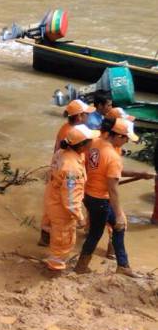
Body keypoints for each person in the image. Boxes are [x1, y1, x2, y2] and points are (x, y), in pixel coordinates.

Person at [74, 118, 148, 277]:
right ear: (118, 136)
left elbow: (110, 172)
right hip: (101, 200)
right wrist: (120, 213)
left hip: (88, 195)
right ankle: (81, 266)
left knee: (118, 227)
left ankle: (122, 265)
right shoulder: (113, 156)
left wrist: (139, 174)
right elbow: (113, 189)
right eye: (126, 138)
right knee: (96, 233)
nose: (127, 141)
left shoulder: (94, 142)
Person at [39, 98, 97, 247]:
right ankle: (55, 260)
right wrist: (80, 218)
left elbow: (57, 151)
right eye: (86, 114)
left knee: (51, 210)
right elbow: (71, 199)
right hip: (65, 181)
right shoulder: (73, 134)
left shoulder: (66, 130)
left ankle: (45, 239)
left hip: (56, 177)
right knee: (63, 231)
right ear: (79, 116)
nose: (88, 117)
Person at [44, 125, 99, 273]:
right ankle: (54, 270)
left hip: (52, 200)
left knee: (57, 236)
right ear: (82, 144)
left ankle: (54, 262)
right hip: (62, 209)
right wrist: (80, 217)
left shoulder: (63, 153)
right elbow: (70, 199)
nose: (93, 142)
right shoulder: (72, 168)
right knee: (63, 241)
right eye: (90, 140)